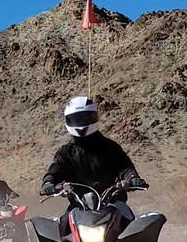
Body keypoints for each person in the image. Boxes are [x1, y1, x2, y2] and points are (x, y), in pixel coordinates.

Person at [40, 96, 147, 224]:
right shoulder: (66, 152)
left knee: (130, 223)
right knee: (63, 228)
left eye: (84, 118)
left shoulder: (110, 147)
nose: (81, 123)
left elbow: (125, 167)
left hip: (112, 201)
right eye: (76, 119)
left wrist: (133, 178)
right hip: (80, 204)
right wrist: (49, 182)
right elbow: (56, 168)